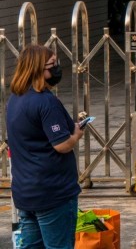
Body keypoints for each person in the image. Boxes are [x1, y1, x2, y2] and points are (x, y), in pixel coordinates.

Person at [7, 45, 82, 248]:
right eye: (52, 65)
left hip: (26, 193)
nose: (57, 68)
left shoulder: (15, 99)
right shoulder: (46, 102)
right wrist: (75, 135)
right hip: (52, 193)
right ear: (36, 68)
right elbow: (62, 145)